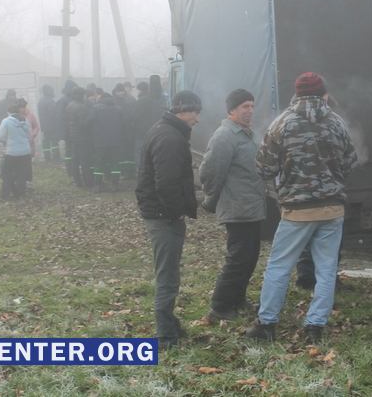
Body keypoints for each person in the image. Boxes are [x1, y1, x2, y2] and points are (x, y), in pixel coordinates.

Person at [247, 73, 357, 344]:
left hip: (297, 211)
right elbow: (350, 161)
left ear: (296, 94)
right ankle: (315, 326)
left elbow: (263, 168)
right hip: (332, 209)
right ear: (323, 94)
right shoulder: (337, 122)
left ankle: (267, 323)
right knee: (326, 269)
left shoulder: (281, 124)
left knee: (279, 266)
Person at [136, 90, 202, 350]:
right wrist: (176, 212)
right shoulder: (170, 138)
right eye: (195, 112)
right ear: (183, 111)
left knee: (169, 272)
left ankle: (170, 324)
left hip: (160, 213)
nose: (197, 119)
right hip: (163, 216)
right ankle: (165, 335)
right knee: (167, 275)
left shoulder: (164, 130)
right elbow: (166, 183)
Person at [200, 89, 266, 321]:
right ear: (231, 110)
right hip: (237, 208)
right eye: (244, 107)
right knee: (238, 258)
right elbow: (210, 171)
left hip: (252, 206)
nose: (250, 111)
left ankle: (237, 299)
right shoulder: (225, 136)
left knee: (249, 257)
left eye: (252, 106)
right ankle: (220, 306)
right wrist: (211, 199)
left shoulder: (248, 134)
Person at [90, 93, 125, 192]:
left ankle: (97, 185)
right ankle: (115, 185)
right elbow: (124, 123)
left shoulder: (95, 109)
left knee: (99, 162)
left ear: (101, 99)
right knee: (115, 163)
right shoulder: (119, 109)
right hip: (116, 141)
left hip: (100, 141)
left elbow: (89, 121)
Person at [0, 102, 32, 200]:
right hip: (25, 152)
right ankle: (20, 193)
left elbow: (0, 136)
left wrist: (6, 142)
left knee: (7, 173)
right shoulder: (25, 120)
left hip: (12, 152)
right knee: (22, 174)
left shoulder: (6, 121)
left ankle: (6, 194)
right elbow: (29, 135)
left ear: (9, 112)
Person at [133, 76, 166, 170]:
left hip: (142, 133)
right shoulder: (163, 100)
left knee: (141, 154)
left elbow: (135, 117)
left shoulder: (142, 101)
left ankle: (142, 172)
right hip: (159, 131)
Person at [67, 87, 93, 188]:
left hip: (73, 135)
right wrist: (90, 118)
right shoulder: (81, 107)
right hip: (82, 136)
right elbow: (83, 124)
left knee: (75, 160)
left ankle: (77, 181)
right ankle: (88, 182)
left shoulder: (69, 105)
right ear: (80, 95)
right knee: (85, 160)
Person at [56, 80, 78, 177]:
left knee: (71, 150)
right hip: (69, 131)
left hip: (70, 130)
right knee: (69, 151)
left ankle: (72, 169)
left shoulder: (66, 100)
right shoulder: (64, 101)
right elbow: (60, 117)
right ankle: (70, 169)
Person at [38, 85, 61, 161]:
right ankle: (56, 157)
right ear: (48, 91)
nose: (53, 92)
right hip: (52, 125)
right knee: (54, 141)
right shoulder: (50, 101)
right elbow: (54, 114)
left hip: (44, 126)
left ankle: (47, 157)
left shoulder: (40, 101)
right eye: (52, 90)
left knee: (46, 141)